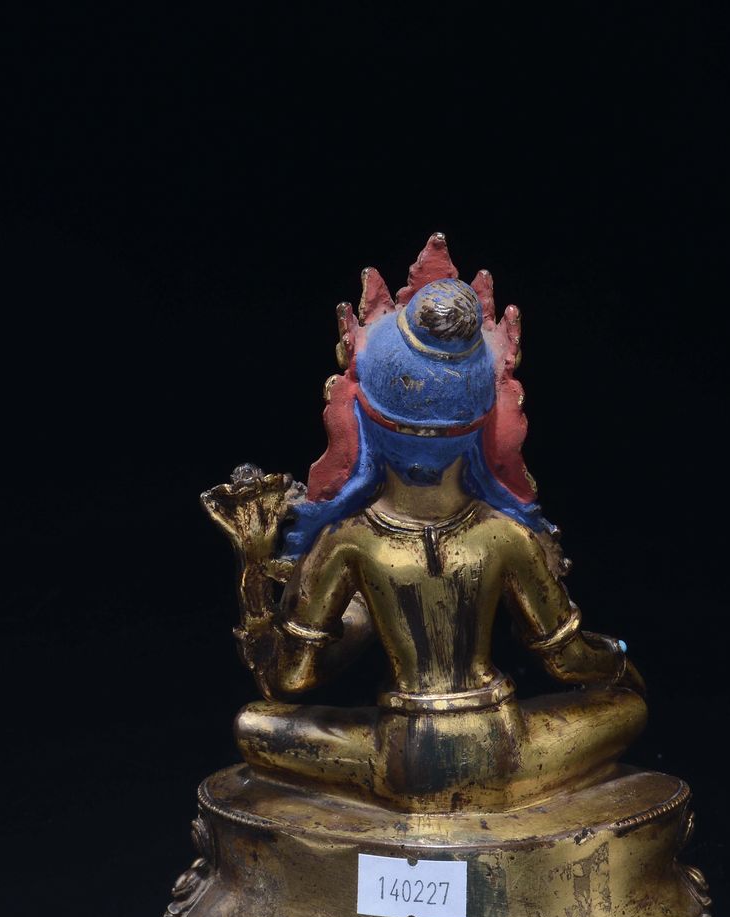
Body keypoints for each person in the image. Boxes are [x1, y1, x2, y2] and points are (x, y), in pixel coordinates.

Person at [202, 276, 646, 812]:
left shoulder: (349, 542)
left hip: (396, 755)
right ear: (483, 425)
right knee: (628, 709)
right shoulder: (505, 535)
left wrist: (253, 565)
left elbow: (288, 681)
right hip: (503, 748)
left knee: (253, 724)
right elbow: (569, 662)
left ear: (362, 422)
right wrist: (619, 664)